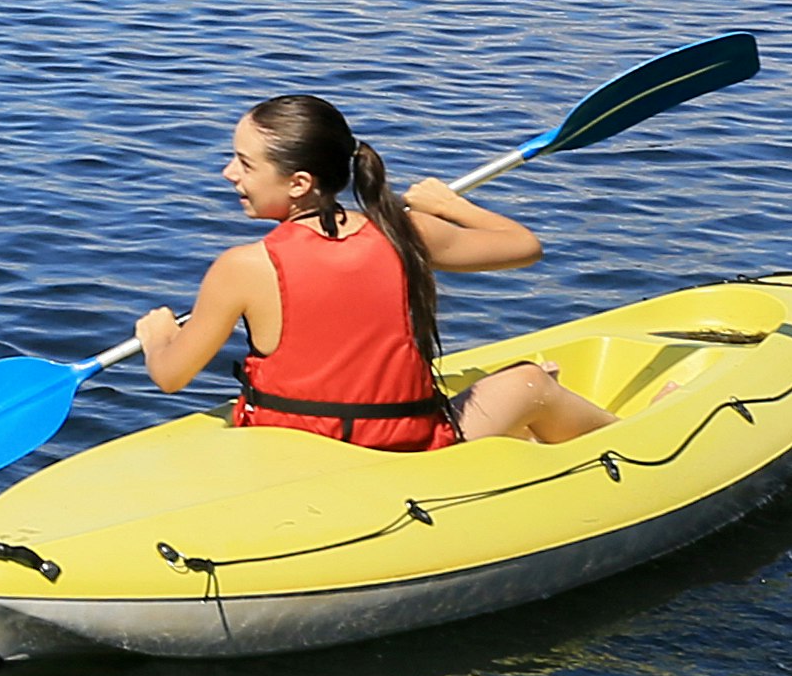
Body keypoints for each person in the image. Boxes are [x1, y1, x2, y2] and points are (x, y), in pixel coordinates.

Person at [131, 94, 611, 450]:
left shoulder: (242, 266)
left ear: (299, 183)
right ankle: (607, 437)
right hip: (404, 442)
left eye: (244, 163)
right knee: (529, 383)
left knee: (527, 381)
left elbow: (171, 377)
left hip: (289, 445)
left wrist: (159, 339)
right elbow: (524, 246)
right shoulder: (407, 233)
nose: (229, 173)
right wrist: (450, 204)